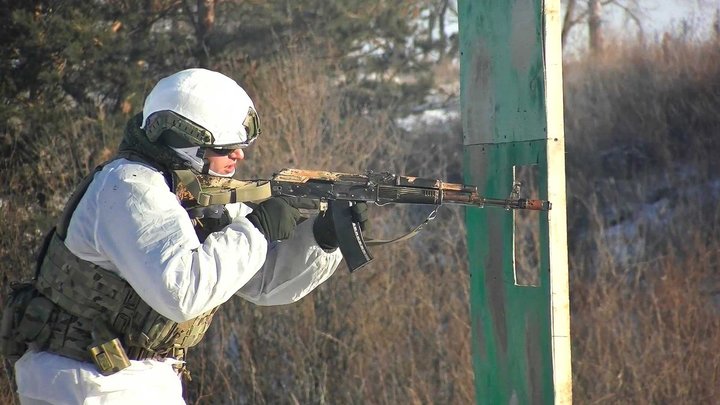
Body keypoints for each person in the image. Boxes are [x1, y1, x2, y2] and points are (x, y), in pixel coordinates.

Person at [5, 68, 367, 404]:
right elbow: (182, 292)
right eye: (225, 148)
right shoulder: (130, 186)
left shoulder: (192, 190)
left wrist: (321, 239)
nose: (239, 155)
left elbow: (263, 283)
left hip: (137, 380)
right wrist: (257, 228)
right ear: (185, 141)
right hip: (85, 384)